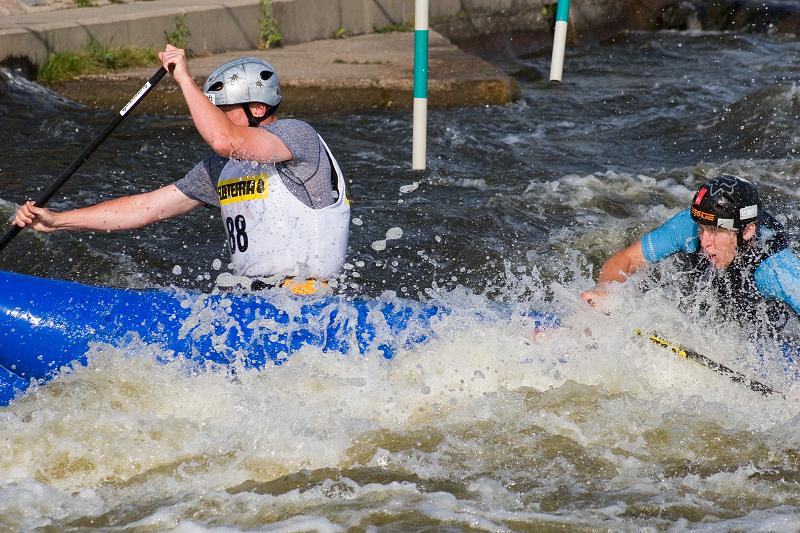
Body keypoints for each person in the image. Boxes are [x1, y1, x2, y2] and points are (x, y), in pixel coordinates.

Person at [13, 44, 349, 295]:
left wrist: (184, 80)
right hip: (253, 302)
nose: (212, 118)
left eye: (222, 110)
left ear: (258, 109)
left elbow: (223, 139)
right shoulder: (222, 169)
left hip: (308, 301)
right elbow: (145, 209)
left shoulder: (297, 136)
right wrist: (58, 221)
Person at [580, 174, 800, 335]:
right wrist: (605, 289)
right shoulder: (688, 225)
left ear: (748, 231)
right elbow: (627, 259)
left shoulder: (776, 268)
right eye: (702, 228)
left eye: (715, 231)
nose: (704, 241)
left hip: (768, 324)